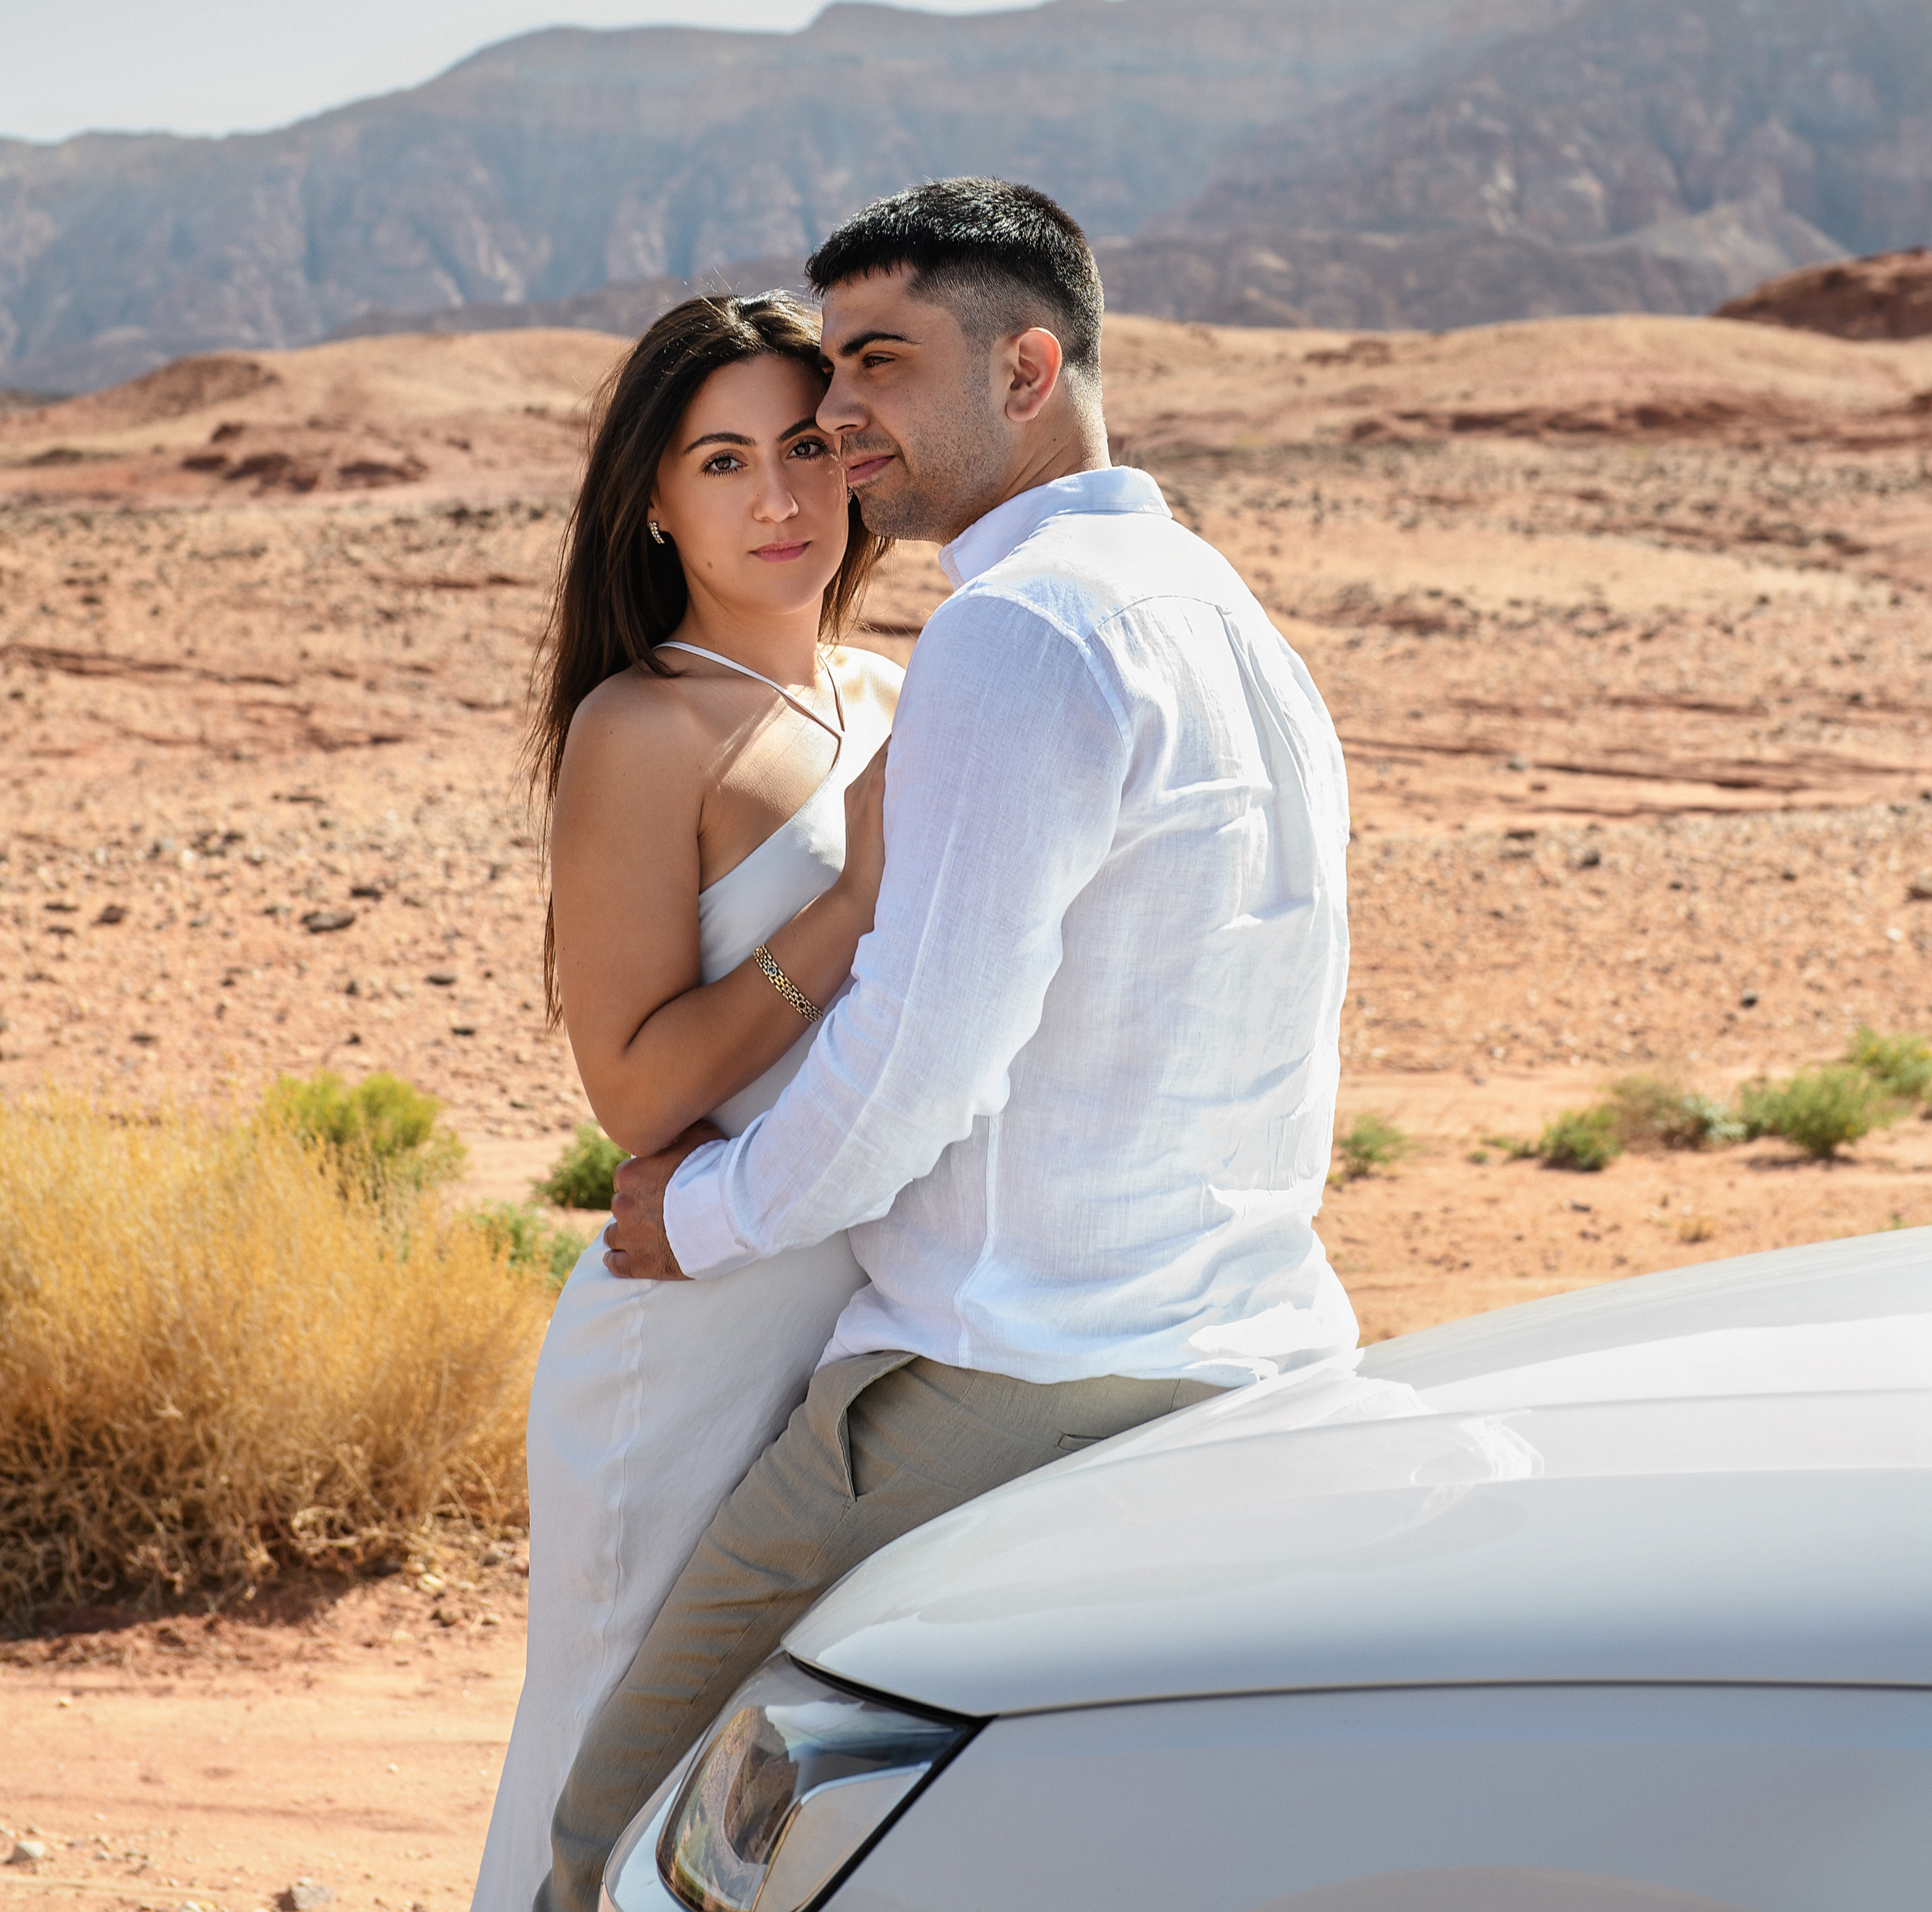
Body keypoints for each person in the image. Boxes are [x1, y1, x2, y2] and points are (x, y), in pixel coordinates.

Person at [537, 178, 1356, 1912]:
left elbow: (921, 1061)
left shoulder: (1011, 630)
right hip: (1221, 1334)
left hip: (982, 1372)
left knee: (611, 1835)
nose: (833, 426)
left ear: (1028, 368)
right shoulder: (1220, 613)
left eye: (878, 364)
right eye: (816, 378)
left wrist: (693, 1218)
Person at [469, 293, 900, 1912]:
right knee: (612, 1763)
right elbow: (628, 1089)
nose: (778, 500)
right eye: (722, 461)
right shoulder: (640, 726)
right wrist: (847, 905)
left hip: (869, 1329)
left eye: (805, 446)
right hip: (685, 1334)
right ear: (652, 500)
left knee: (783, 1791)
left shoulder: (892, 694)